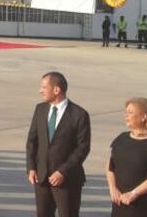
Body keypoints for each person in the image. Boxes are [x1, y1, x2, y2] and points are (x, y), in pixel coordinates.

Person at [26, 72, 92, 217]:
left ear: (56, 90)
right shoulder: (40, 109)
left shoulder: (79, 115)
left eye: (44, 87)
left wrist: (63, 171)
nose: (40, 90)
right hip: (41, 178)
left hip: (67, 180)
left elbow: (83, 148)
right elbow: (32, 141)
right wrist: (31, 167)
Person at [106, 98, 147, 217]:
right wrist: (113, 188)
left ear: (144, 117)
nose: (126, 115)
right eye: (125, 112)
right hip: (120, 202)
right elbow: (110, 166)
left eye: (130, 112)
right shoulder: (121, 139)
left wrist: (134, 193)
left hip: (145, 205)